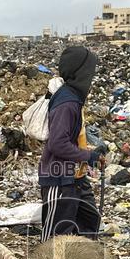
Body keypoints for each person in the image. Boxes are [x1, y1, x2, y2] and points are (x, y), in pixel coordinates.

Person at [38, 45, 108, 241]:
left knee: (88, 221)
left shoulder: (74, 99)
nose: (91, 77)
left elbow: (70, 138)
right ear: (80, 72)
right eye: (89, 72)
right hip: (59, 178)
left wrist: (92, 152)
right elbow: (57, 144)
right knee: (56, 235)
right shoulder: (67, 102)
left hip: (75, 176)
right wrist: (89, 156)